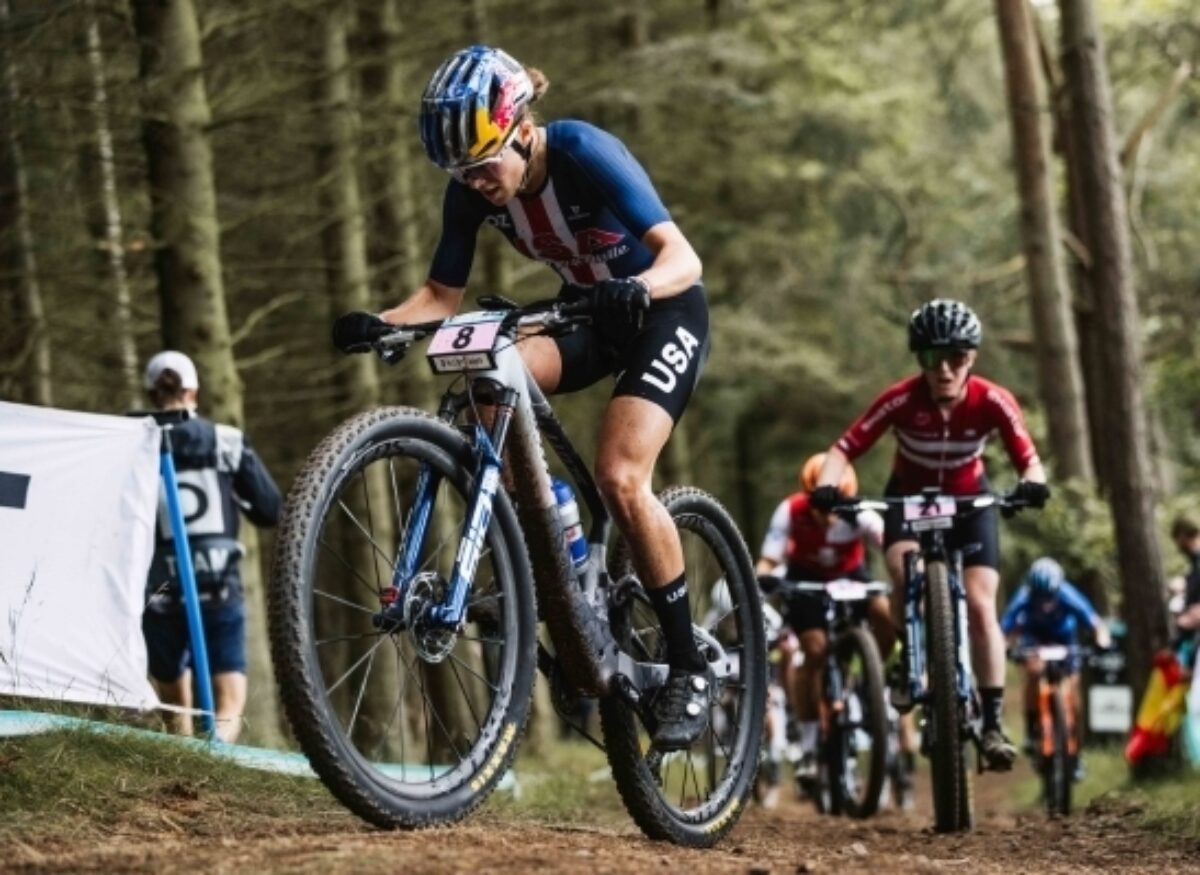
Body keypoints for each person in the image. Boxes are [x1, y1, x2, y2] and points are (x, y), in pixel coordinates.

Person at [330, 46, 712, 750]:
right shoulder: (470, 189)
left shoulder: (583, 151)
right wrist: (381, 323)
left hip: (663, 311)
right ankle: (554, 540)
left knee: (621, 476)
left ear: (522, 130)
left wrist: (636, 287)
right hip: (587, 314)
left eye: (484, 165)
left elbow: (683, 258)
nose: (475, 183)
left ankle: (688, 666)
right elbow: (439, 297)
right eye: (461, 172)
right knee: (487, 372)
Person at [810, 298, 1050, 770]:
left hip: (969, 502)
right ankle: (909, 658)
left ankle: (992, 723)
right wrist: (827, 486)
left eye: (955, 357)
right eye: (931, 358)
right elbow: (844, 448)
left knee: (981, 605)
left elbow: (1028, 458)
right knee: (902, 574)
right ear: (918, 359)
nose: (944, 370)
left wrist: (1033, 485)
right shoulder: (900, 399)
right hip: (909, 498)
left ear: (972, 358)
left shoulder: (993, 400)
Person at [141, 351, 281, 743]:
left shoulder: (134, 444)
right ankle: (216, 754)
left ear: (151, 394)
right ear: (194, 392)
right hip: (218, 583)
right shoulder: (226, 441)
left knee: (174, 704)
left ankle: (184, 758)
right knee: (229, 702)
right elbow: (270, 510)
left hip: (160, 588)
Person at [755, 453, 889, 779]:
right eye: (821, 508)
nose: (828, 517)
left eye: (835, 508)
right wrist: (763, 579)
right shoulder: (790, 510)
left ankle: (870, 676)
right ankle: (809, 746)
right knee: (814, 650)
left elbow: (889, 545)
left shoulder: (861, 514)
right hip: (806, 579)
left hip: (850, 575)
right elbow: (768, 560)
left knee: (883, 611)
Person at [1001, 557, 1111, 775]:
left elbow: (1095, 623)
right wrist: (1005, 647)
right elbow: (1003, 630)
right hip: (1034, 639)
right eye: (1039, 597)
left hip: (1065, 640)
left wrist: (1102, 641)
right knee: (1033, 673)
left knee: (1074, 690)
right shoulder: (1023, 597)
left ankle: (1076, 748)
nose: (1044, 603)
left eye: (1049, 597)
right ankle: (1032, 728)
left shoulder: (1068, 594)